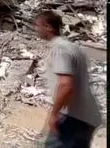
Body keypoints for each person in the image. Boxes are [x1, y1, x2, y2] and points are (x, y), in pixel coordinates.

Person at [35, 10, 101, 147]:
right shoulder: (74, 48)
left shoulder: (60, 49)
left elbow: (66, 85)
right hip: (88, 117)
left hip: (72, 116)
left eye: (38, 26)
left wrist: (54, 113)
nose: (36, 29)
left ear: (48, 27)